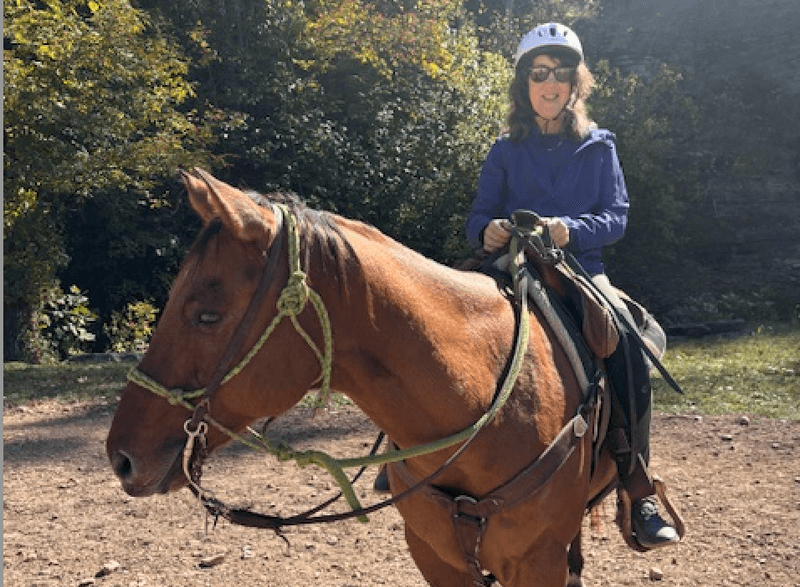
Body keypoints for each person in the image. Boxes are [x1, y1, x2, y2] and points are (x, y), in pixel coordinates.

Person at [465, 22, 679, 550]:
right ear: (525, 83)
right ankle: (414, 453)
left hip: (580, 267)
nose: (550, 83)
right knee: (448, 323)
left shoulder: (600, 146)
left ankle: (637, 488)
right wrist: (486, 231)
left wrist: (570, 229)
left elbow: (617, 218)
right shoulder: (504, 149)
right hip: (512, 267)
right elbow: (478, 216)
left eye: (560, 73)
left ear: (575, 82)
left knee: (624, 340)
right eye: (539, 73)